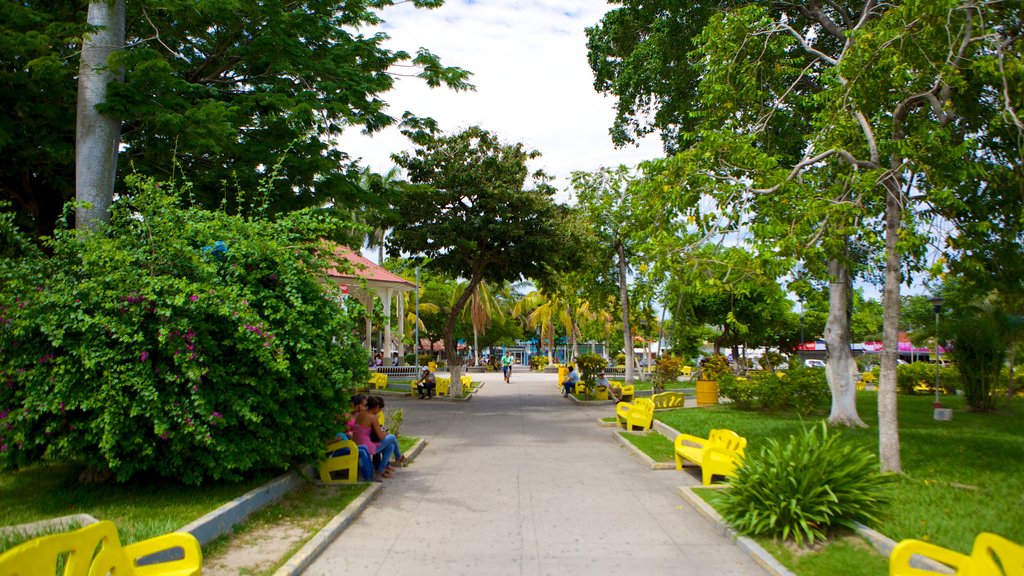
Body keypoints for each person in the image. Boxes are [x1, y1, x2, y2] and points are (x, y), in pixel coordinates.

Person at [353, 396, 406, 479]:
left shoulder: (361, 414)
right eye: (380, 409)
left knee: (390, 446)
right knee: (392, 437)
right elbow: (381, 437)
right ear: (377, 407)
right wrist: (385, 433)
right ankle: (398, 457)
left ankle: (380, 471)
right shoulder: (372, 417)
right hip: (365, 447)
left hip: (356, 444)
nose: (379, 411)